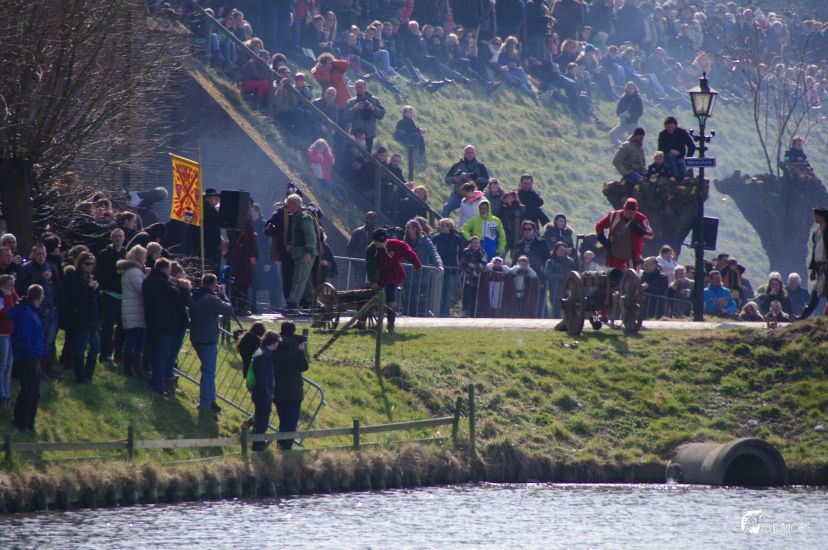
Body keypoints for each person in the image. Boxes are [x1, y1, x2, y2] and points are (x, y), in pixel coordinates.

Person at [142, 258, 188, 396]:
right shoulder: (165, 285)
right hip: (165, 323)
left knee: (154, 352)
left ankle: (154, 380)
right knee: (162, 354)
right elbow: (179, 300)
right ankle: (158, 383)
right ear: (166, 269)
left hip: (151, 321)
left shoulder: (147, 282)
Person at [189, 273, 233, 415]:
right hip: (208, 339)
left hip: (195, 337)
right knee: (208, 373)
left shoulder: (193, 296)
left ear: (202, 283)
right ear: (214, 285)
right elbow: (228, 309)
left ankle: (212, 400)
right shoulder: (211, 299)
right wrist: (223, 295)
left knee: (208, 371)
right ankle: (205, 403)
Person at [366, 228, 423, 332]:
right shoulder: (371, 249)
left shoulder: (397, 245)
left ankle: (391, 324)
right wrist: (373, 281)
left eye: (382, 242)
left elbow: (409, 253)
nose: (380, 244)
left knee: (390, 297)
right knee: (368, 295)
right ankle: (361, 321)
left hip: (392, 273)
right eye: (377, 242)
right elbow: (370, 267)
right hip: (378, 274)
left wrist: (417, 265)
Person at [15, 244, 59, 379]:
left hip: (49, 309)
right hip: (34, 311)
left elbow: (56, 286)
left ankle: (46, 369)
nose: (41, 257)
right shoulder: (26, 268)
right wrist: (40, 278)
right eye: (38, 254)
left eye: (43, 254)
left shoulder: (50, 266)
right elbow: (21, 287)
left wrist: (57, 303)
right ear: (33, 254)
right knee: (37, 341)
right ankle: (36, 370)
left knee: (49, 341)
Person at [10, 285, 46, 432]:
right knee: (28, 390)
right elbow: (24, 338)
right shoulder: (27, 314)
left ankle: (29, 422)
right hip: (28, 358)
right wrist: (31, 354)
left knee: (34, 391)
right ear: (39, 297)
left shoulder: (33, 312)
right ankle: (21, 421)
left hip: (34, 356)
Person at [272, 322, 309, 450]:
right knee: (291, 422)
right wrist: (302, 352)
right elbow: (304, 367)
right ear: (293, 331)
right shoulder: (296, 349)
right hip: (294, 390)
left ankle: (280, 445)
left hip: (277, 389)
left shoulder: (275, 346)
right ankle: (286, 449)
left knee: (283, 420)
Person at [65, 251, 101, 383]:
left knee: (96, 347)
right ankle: (80, 377)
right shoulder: (75, 277)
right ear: (80, 264)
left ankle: (88, 376)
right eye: (87, 263)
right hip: (81, 318)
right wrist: (89, 288)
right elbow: (74, 297)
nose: (90, 266)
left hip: (92, 318)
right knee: (80, 349)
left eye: (92, 264)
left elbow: (95, 300)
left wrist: (95, 289)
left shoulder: (91, 278)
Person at [595, 198, 654, 271]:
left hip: (632, 258)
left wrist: (638, 228)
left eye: (633, 212)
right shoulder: (613, 216)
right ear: (624, 209)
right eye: (628, 212)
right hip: (614, 256)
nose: (631, 214)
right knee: (613, 276)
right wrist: (603, 240)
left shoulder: (641, 218)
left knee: (631, 277)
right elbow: (599, 226)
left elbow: (650, 235)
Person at [95, 228, 126, 365]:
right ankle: (105, 354)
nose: (118, 238)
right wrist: (116, 272)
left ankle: (118, 354)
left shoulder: (126, 254)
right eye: (115, 236)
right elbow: (99, 273)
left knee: (122, 327)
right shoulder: (104, 254)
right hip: (109, 294)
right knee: (108, 326)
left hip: (123, 296)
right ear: (111, 238)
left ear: (124, 238)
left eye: (120, 236)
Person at [285, 194, 319, 310]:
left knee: (298, 279)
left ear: (293, 204)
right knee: (306, 282)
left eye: (288, 204)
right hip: (300, 253)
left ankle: (292, 304)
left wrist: (308, 252)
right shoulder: (298, 216)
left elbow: (310, 235)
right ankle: (315, 305)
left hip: (304, 254)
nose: (286, 207)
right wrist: (292, 244)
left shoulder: (304, 216)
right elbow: (299, 235)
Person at [117, 245, 147, 378]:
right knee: (134, 340)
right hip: (135, 309)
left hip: (133, 309)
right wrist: (146, 278)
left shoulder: (130, 270)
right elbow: (141, 289)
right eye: (144, 256)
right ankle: (130, 369)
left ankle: (135, 370)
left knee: (136, 340)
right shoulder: (135, 271)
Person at [249, 330, 280, 452]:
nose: (278, 344)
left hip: (259, 393)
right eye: (277, 342)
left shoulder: (261, 352)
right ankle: (258, 446)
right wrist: (267, 396)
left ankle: (257, 443)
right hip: (262, 394)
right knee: (262, 421)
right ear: (273, 342)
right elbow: (263, 379)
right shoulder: (263, 356)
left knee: (260, 420)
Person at [432, 218, 467, 317]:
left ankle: (445, 313)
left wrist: (460, 265)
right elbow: (432, 251)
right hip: (439, 268)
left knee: (448, 292)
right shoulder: (436, 238)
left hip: (452, 268)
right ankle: (436, 311)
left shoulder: (457, 239)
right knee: (439, 291)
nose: (441, 227)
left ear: (449, 227)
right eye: (440, 225)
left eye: (443, 225)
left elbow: (462, 253)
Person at [442, 145, 490, 216]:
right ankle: (443, 222)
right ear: (464, 153)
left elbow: (486, 180)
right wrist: (454, 179)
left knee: (475, 214)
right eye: (467, 152)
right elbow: (447, 179)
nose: (469, 154)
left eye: (471, 152)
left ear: (474, 153)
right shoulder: (457, 165)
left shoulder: (480, 166)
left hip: (474, 197)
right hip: (458, 196)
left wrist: (475, 179)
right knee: (446, 207)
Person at [799, 207, 828, 320]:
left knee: (817, 294)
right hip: (821, 268)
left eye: (816, 215)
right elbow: (815, 252)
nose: (814, 217)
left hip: (826, 267)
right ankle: (803, 317)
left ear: (822, 217)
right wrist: (814, 269)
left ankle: (803, 317)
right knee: (816, 294)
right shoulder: (817, 232)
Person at [343, 80, 385, 152]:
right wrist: (354, 108)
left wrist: (372, 108)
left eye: (361, 87)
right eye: (357, 87)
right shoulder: (351, 102)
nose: (359, 89)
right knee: (353, 155)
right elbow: (346, 118)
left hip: (369, 136)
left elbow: (381, 115)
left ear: (365, 87)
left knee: (366, 156)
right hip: (356, 135)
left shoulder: (375, 100)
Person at [0, 275, 18, 409]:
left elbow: (18, 309)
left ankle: (7, 394)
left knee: (8, 367)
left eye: (13, 285)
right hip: (2, 335)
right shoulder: (2, 299)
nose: (12, 288)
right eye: (9, 285)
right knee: (2, 366)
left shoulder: (12, 297)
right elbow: (8, 313)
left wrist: (13, 295)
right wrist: (7, 297)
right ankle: (1, 394)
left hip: (12, 335)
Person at [545, 242, 576, 319]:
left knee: (568, 310)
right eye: (560, 250)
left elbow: (575, 273)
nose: (562, 252)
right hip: (555, 291)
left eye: (564, 250)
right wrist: (560, 276)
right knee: (556, 311)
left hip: (568, 290)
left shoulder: (570, 261)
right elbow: (547, 275)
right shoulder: (551, 262)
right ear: (555, 251)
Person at [608, 82, 644, 146]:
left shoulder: (637, 99)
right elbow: (618, 111)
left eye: (631, 88)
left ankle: (629, 149)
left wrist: (631, 115)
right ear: (626, 89)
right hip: (623, 123)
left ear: (635, 89)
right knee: (612, 134)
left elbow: (640, 112)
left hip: (633, 124)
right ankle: (619, 147)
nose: (630, 90)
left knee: (632, 142)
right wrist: (622, 114)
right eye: (628, 88)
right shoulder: (623, 98)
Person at [459, 236, 486, 317]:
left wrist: (475, 268)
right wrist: (472, 270)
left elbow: (483, 264)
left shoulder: (482, 252)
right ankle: (464, 311)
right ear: (470, 243)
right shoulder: (466, 251)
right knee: (466, 294)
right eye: (474, 243)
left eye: (477, 243)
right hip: (467, 277)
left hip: (478, 277)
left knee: (475, 295)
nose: (476, 244)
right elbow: (463, 263)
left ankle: (473, 313)